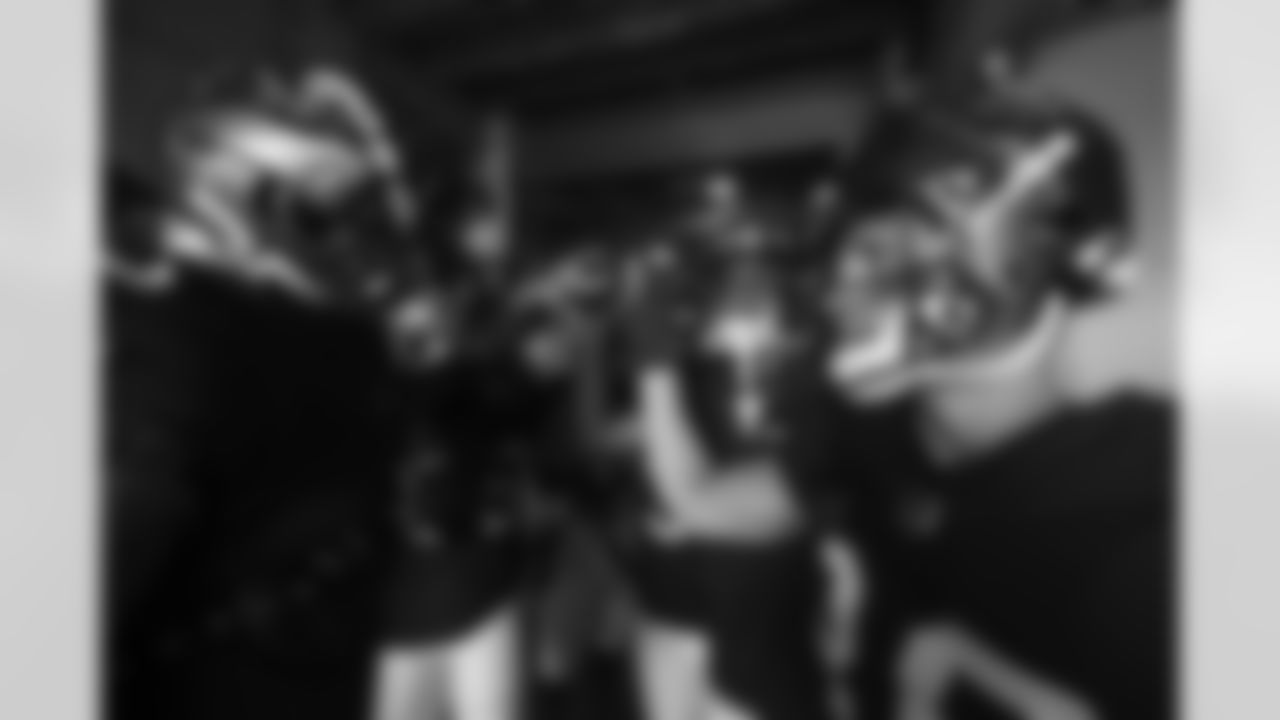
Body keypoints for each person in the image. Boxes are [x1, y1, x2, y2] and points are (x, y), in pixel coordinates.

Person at [626, 74, 1172, 720]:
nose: (843, 283)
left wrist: (984, 670)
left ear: (1042, 257)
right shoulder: (872, 433)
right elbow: (700, 502)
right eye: (854, 243)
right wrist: (654, 361)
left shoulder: (1154, 499)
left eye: (895, 241)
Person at [109, 64, 425, 720]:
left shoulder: (183, 330)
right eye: (330, 211)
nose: (357, 235)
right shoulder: (352, 341)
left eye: (363, 210)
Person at [611, 172, 840, 720]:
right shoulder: (700, 363)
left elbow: (701, 497)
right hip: (684, 609)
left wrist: (653, 356)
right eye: (732, 266)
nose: (746, 284)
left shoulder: (823, 388)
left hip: (766, 654)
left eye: (762, 265)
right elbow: (650, 464)